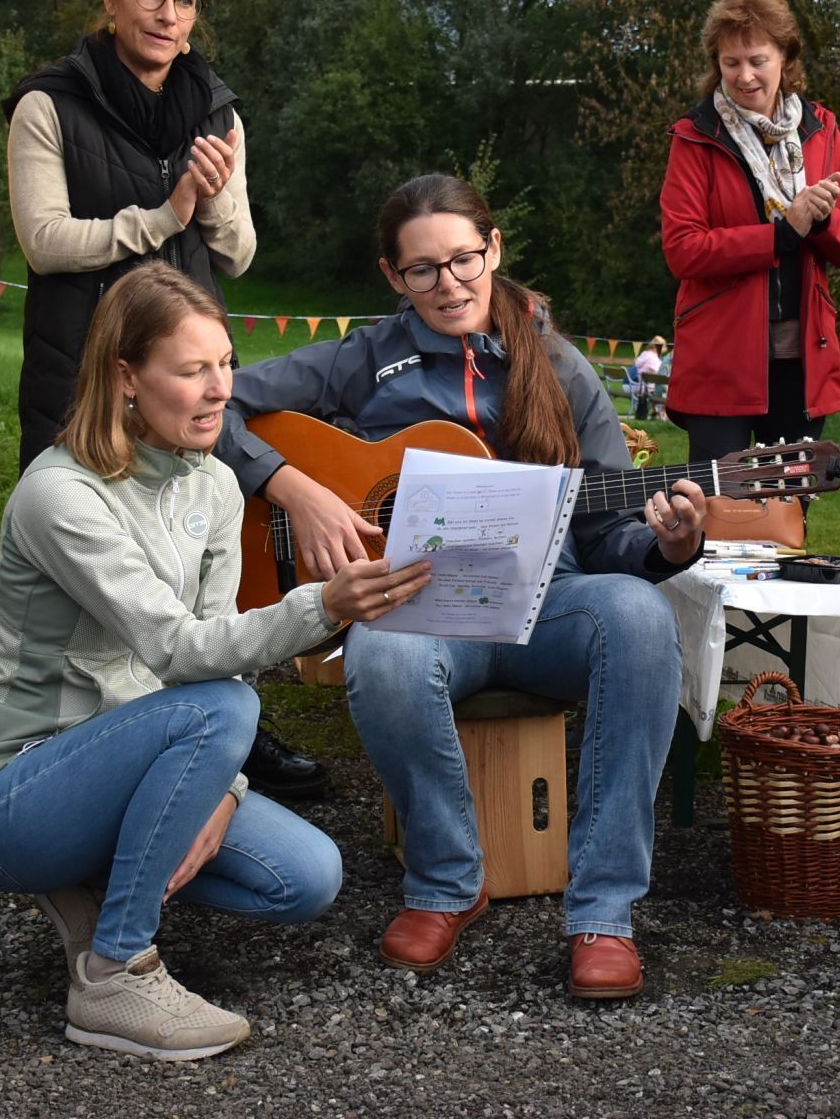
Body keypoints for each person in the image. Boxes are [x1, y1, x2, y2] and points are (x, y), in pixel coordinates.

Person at [215, 174, 706, 1000]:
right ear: (392, 276)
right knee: (384, 650)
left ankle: (604, 911)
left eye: (464, 260)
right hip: (425, 608)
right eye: (423, 269)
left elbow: (607, 534)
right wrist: (293, 488)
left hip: (552, 605)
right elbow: (219, 401)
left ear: (495, 250)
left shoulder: (562, 367)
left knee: (642, 617)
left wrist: (667, 545)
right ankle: (446, 879)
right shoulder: (362, 359)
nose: (449, 283)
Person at [0, 264, 427, 1061]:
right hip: (7, 791)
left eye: (225, 363)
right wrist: (324, 606)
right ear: (126, 377)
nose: (219, 389)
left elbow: (215, 655)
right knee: (227, 711)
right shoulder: (62, 493)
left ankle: (97, 881)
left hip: (124, 759)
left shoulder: (217, 488)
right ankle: (114, 972)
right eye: (192, 369)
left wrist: (224, 791)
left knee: (308, 874)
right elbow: (175, 649)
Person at [4, 0, 326, 802]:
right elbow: (44, 240)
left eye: (183, 0)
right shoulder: (49, 105)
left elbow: (242, 249)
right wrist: (164, 209)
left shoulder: (218, 110)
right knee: (89, 567)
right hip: (81, 371)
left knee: (200, 554)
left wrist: (212, 199)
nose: (167, 13)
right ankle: (59, 750)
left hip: (182, 371)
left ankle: (228, 735)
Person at [659, 0, 840, 467]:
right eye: (730, 63)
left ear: (785, 56)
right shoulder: (695, 136)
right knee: (715, 510)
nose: (744, 76)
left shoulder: (822, 128)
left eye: (757, 60)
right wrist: (782, 233)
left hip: (804, 358)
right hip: (719, 359)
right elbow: (683, 249)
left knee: (789, 512)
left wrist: (822, 220)